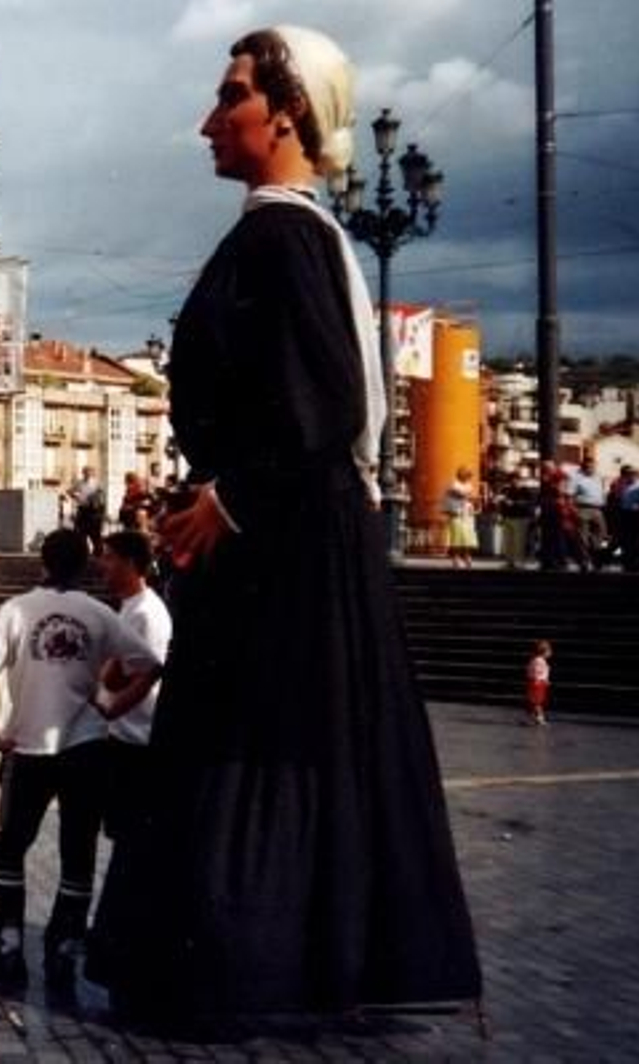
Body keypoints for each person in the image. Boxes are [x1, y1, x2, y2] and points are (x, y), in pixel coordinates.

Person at [97, 27, 481, 1022]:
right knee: (278, 744)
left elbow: (326, 402)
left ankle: (238, 967)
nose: (206, 120)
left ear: (286, 112)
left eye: (228, 97)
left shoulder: (281, 237)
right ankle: (283, 961)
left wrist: (224, 498)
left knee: (250, 740)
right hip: (284, 536)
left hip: (279, 548)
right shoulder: (298, 236)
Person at [0, 529, 137, 991]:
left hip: (28, 747)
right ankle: (64, 940)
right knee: (78, 848)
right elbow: (148, 665)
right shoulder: (100, 613)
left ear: (42, 562)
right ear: (85, 563)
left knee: (10, 845)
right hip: (87, 746)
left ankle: (6, 936)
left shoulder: (15, 610)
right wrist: (114, 705)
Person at [84, 531, 172, 992]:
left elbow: (134, 672)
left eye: (111, 558)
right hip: (122, 736)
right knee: (121, 837)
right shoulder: (130, 610)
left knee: (131, 841)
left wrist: (107, 701)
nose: (103, 565)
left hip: (137, 740)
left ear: (134, 564)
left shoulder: (147, 615)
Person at [564, 456, 607, 571]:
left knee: (601, 534)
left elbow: (602, 492)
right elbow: (568, 496)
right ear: (583, 466)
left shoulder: (598, 477)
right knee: (582, 537)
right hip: (582, 509)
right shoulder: (575, 477)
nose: (591, 468)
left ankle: (595, 558)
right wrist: (573, 510)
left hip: (598, 510)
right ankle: (584, 562)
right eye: (588, 466)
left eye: (592, 466)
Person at [65, 467, 106, 554]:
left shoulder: (97, 483)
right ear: (83, 473)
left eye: (88, 472)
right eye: (85, 472)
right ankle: (83, 553)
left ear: (92, 473)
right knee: (80, 533)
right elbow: (69, 491)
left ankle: (98, 553)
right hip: (82, 509)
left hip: (93, 511)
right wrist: (75, 497)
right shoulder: (79, 482)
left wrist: (95, 500)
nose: (86, 474)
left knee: (95, 534)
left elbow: (101, 495)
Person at [442, 467, 478, 569]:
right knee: (456, 538)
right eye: (467, 476)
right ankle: (456, 559)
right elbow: (462, 495)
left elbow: (472, 497)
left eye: (469, 476)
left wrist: (472, 498)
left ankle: (467, 557)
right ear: (462, 475)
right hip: (456, 514)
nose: (468, 478)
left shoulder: (468, 485)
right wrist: (471, 496)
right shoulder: (453, 484)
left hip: (467, 515)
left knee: (467, 537)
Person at [525, 640, 552, 727]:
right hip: (537, 684)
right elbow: (536, 671)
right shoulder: (538, 660)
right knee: (537, 703)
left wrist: (545, 680)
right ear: (543, 652)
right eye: (549, 651)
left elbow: (541, 672)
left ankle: (533, 718)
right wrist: (538, 679)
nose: (550, 653)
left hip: (538, 683)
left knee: (535, 702)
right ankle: (540, 719)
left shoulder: (538, 660)